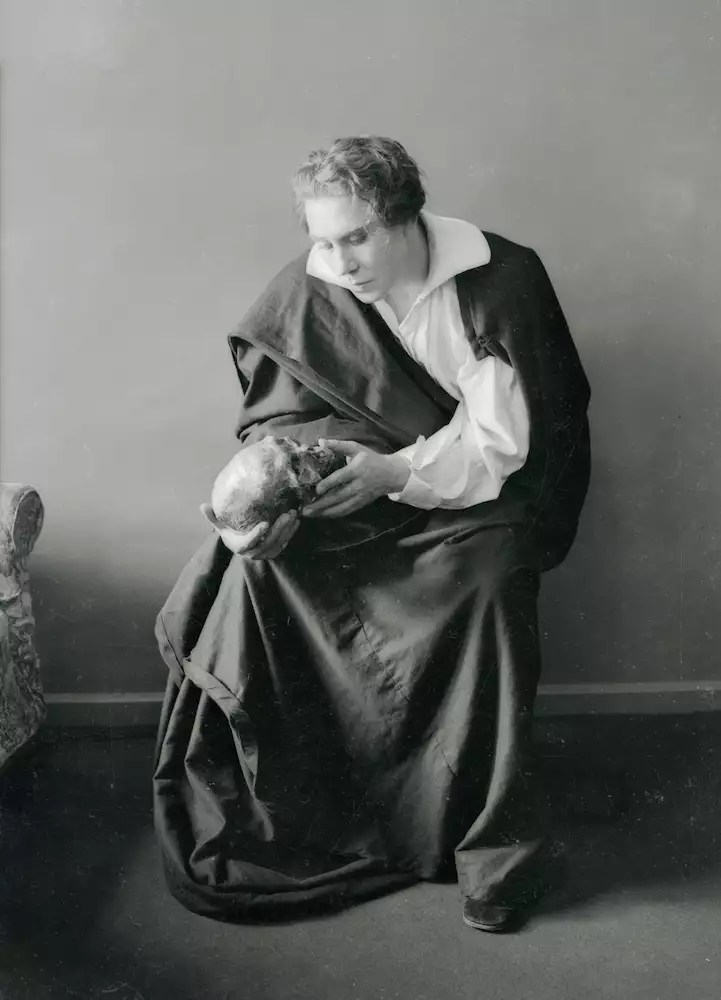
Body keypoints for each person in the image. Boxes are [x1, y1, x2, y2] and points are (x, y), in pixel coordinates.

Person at [154, 135, 591, 932]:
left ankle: (487, 843)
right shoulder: (311, 284)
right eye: (323, 240)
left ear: (407, 217)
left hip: (477, 496)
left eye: (357, 237)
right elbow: (280, 417)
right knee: (257, 571)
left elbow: (503, 441)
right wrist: (276, 496)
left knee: (490, 588)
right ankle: (307, 812)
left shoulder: (499, 278)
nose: (340, 261)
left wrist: (395, 472)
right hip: (355, 494)